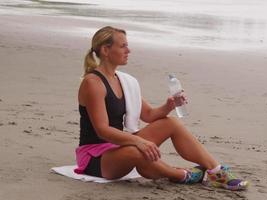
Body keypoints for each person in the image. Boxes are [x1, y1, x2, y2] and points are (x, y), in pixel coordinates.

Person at [74, 26, 248, 191]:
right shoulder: (93, 83)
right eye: (123, 46)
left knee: (170, 123)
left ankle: (216, 171)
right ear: (105, 50)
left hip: (118, 146)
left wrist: (169, 105)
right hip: (95, 157)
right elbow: (102, 130)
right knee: (137, 150)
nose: (129, 50)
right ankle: (181, 175)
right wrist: (138, 141)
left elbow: (149, 115)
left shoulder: (123, 80)